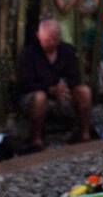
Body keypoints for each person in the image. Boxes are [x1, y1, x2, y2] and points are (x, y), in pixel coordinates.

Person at [16, 18, 94, 151]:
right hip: (36, 95)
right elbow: (25, 84)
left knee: (84, 91)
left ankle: (85, 134)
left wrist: (64, 86)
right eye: (46, 40)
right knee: (40, 97)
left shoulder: (67, 50)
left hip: (64, 92)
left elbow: (75, 77)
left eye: (53, 39)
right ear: (38, 36)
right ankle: (37, 139)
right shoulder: (29, 54)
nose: (50, 43)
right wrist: (50, 89)